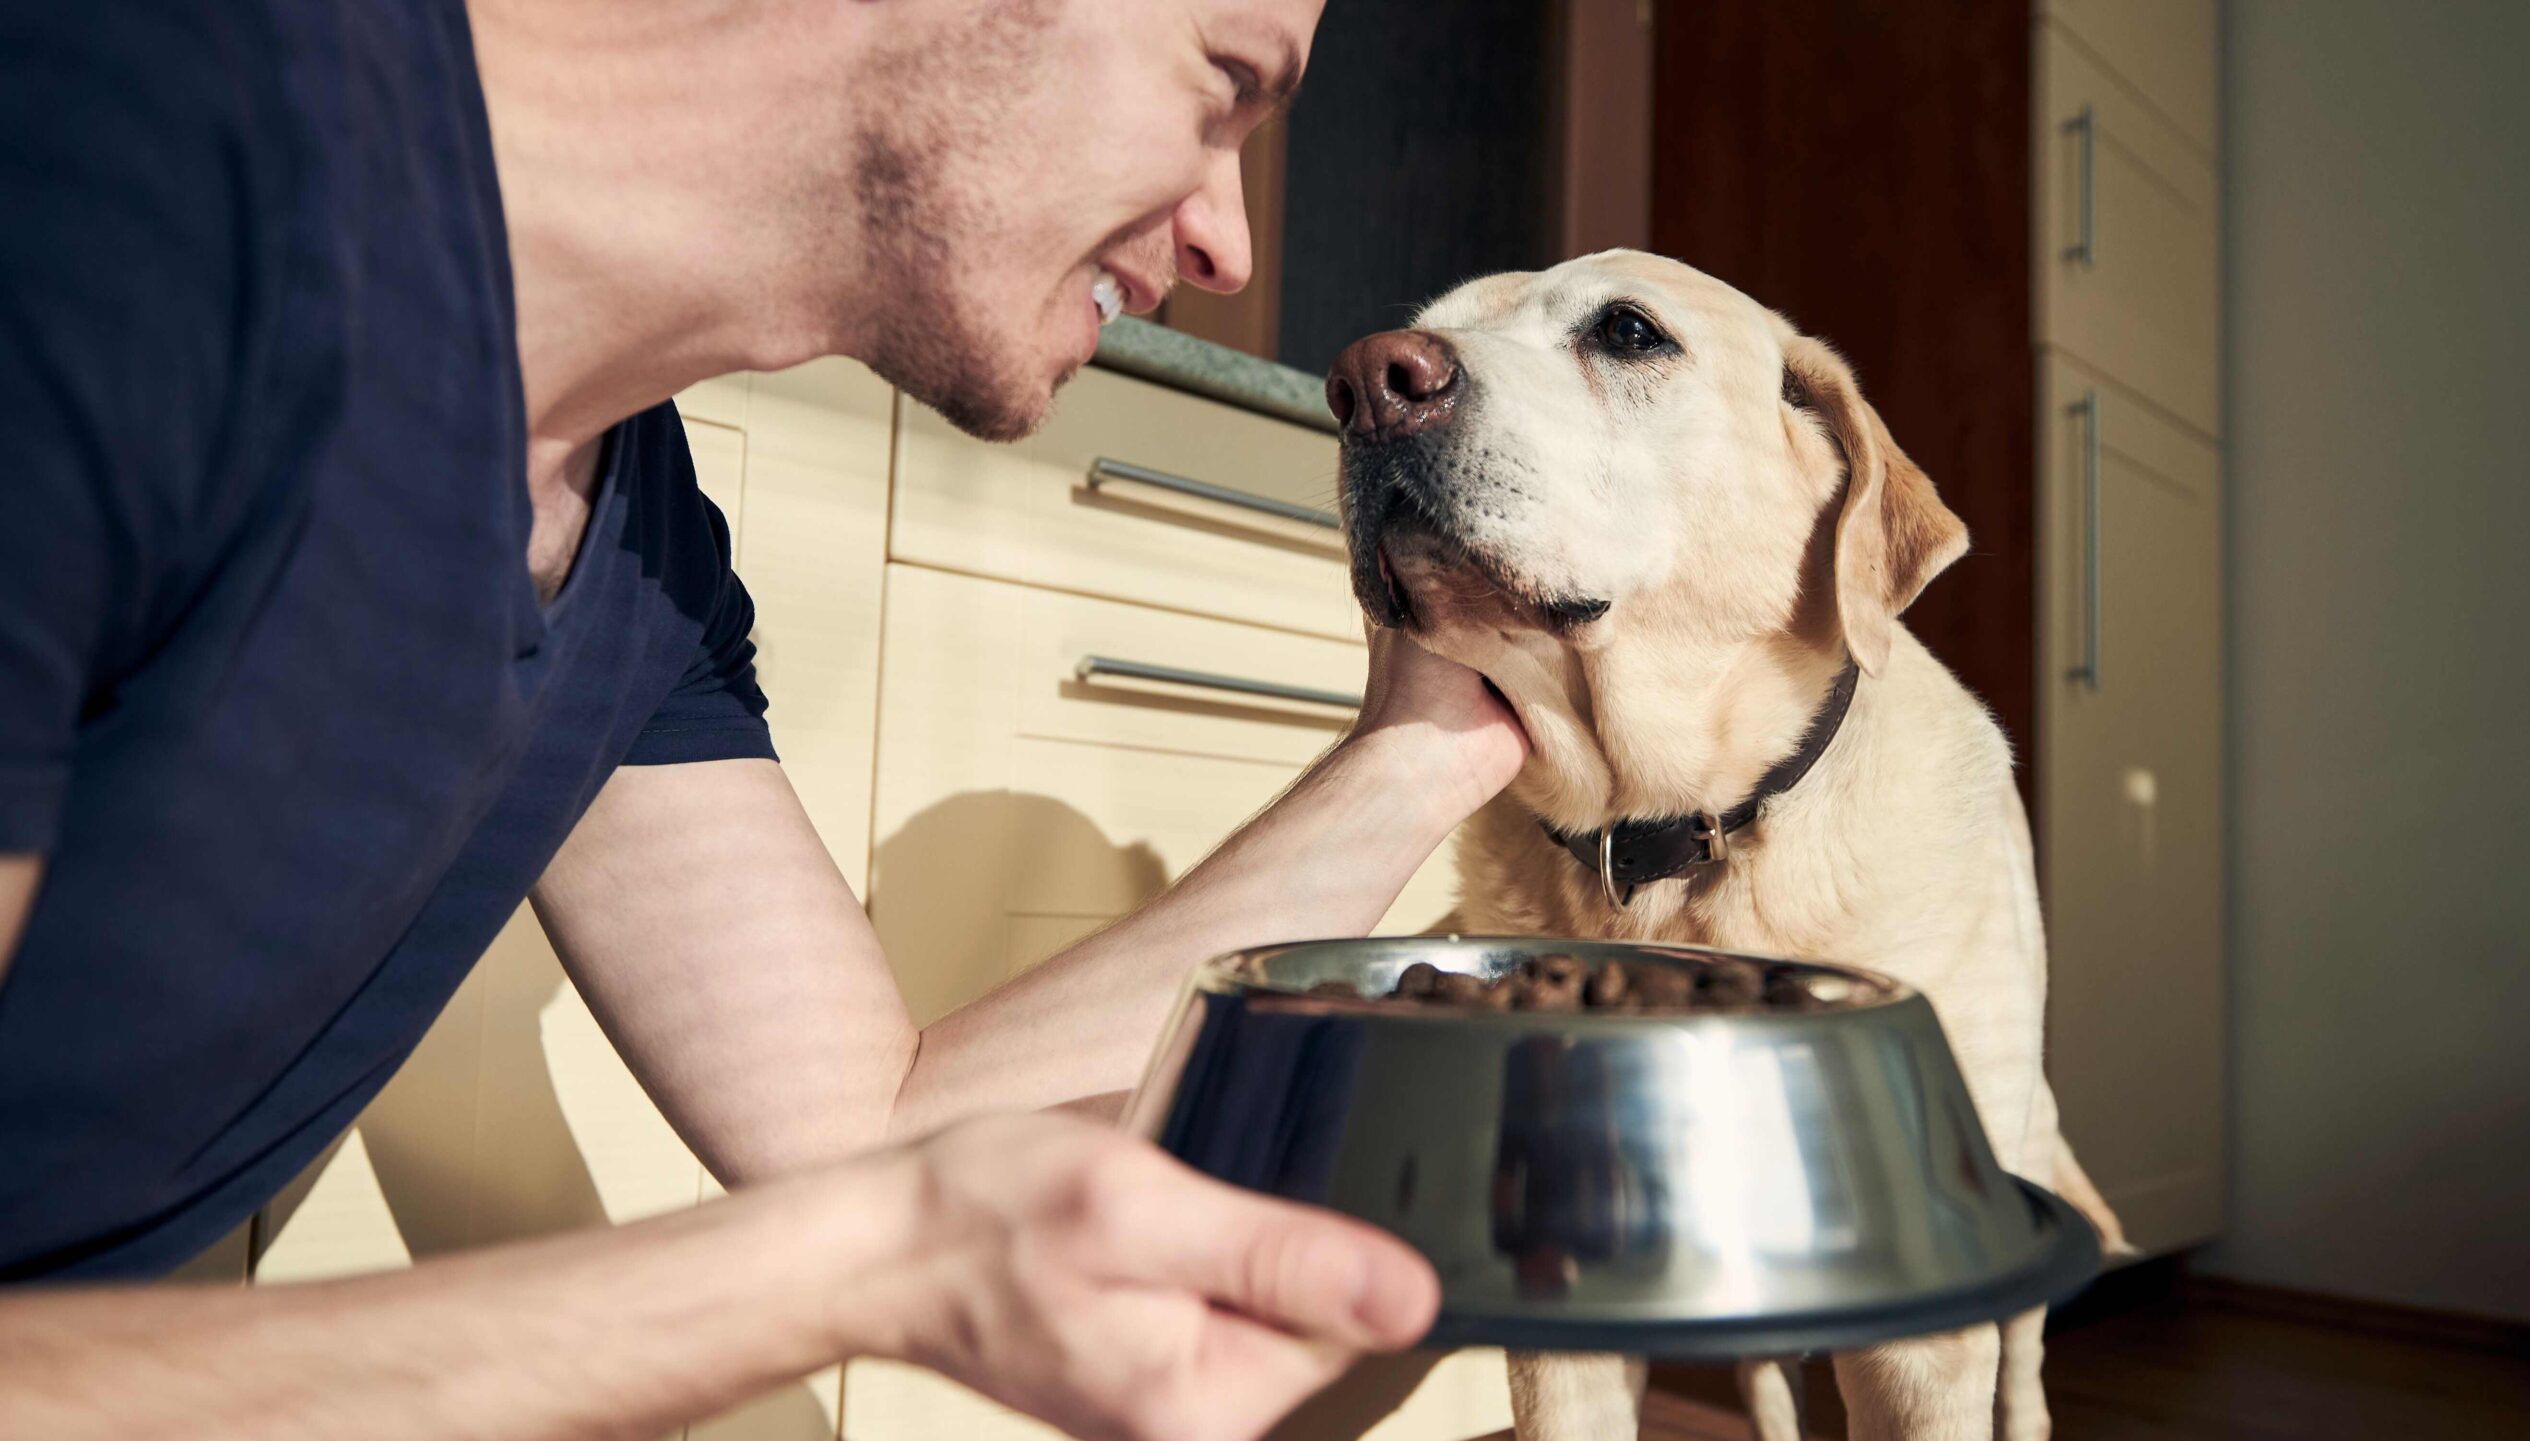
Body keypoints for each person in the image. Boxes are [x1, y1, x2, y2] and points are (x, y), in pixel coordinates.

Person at [0, 0, 1529, 1436]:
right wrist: (864, 1259)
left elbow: (879, 1131)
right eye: (1222, 84)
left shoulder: (633, 547)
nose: (1226, 239)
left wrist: (1417, 755)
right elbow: (886, 1215)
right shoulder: (114, 162)